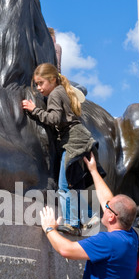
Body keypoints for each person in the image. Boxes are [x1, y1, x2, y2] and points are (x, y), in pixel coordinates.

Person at [22, 63, 104, 236]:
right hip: (80, 139)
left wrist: (33, 109)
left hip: (73, 141)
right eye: (36, 84)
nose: (38, 88)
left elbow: (53, 118)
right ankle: (91, 218)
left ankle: (72, 223)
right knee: (73, 185)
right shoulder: (63, 91)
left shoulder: (55, 94)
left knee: (64, 186)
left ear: (52, 80)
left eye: (41, 83)